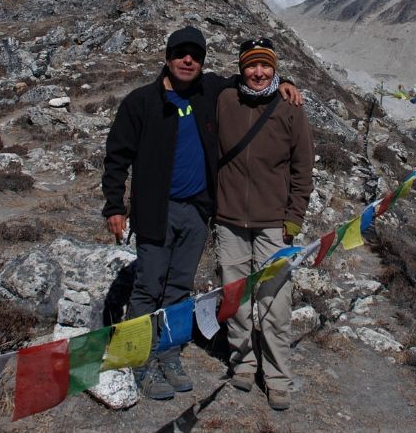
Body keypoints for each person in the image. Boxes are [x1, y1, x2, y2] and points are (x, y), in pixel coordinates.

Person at [102, 26, 301, 400]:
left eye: (195, 54)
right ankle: (138, 358)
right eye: (180, 53)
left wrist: (284, 79)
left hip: (196, 212)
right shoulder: (140, 102)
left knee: (179, 286)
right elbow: (117, 157)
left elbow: (252, 75)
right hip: (155, 211)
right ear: (167, 57)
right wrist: (114, 205)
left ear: (202, 62)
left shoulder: (210, 92)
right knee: (147, 286)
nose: (187, 60)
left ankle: (169, 352)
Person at [215, 37, 314, 411]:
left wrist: (294, 217)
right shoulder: (226, 100)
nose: (258, 73)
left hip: (274, 222)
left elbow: (303, 167)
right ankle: (242, 362)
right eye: (251, 66)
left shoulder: (290, 107)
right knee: (234, 295)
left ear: (275, 69)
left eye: (266, 66)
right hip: (228, 219)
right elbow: (214, 83)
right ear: (241, 68)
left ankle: (277, 377)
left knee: (275, 300)